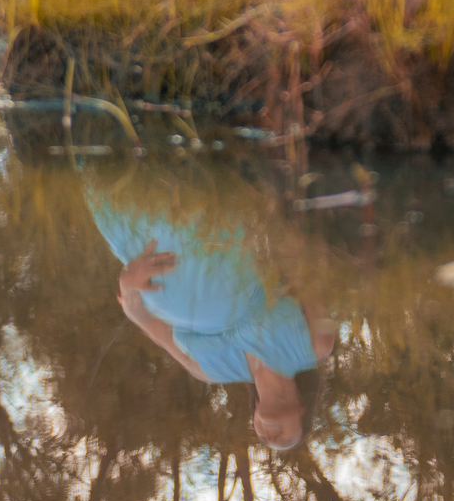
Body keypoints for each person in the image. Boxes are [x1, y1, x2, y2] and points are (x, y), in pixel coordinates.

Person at [88, 192, 335, 452]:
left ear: (254, 415)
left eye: (263, 440)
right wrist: (260, 205)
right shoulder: (317, 345)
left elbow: (148, 324)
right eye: (287, 441)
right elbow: (304, 264)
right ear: (303, 410)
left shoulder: (208, 372)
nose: (272, 440)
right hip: (209, 224)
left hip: (139, 240)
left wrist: (128, 283)